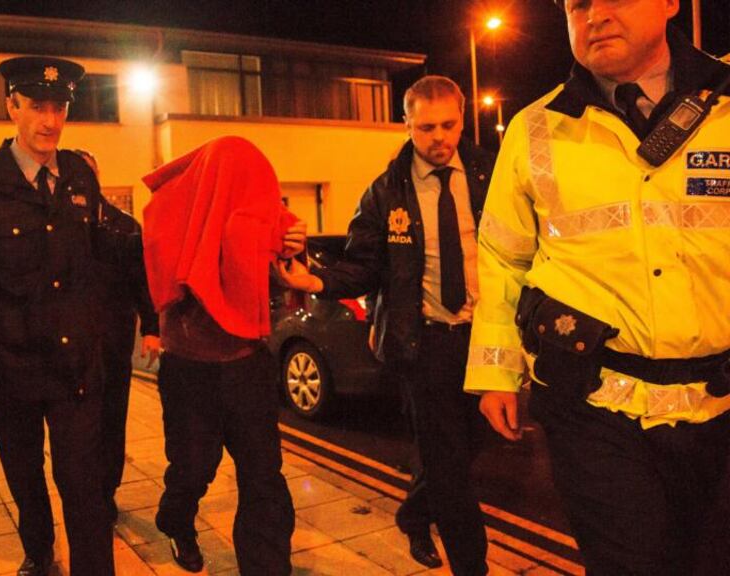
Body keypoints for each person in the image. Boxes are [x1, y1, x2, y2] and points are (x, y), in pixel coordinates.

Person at [466, 1, 730, 573]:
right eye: (578, 3)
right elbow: (503, 258)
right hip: (594, 406)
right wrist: (495, 375)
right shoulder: (535, 127)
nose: (596, 15)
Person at [279, 75, 495, 575]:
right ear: (407, 124)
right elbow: (362, 266)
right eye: (426, 128)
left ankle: (414, 513)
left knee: (467, 451)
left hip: (486, 339)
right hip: (425, 344)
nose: (439, 138)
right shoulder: (385, 191)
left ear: (463, 118)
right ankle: (473, 567)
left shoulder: (490, 173)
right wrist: (315, 279)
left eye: (448, 125)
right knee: (451, 472)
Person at [0, 56, 132, 576]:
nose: (50, 120)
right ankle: (39, 553)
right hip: (8, 370)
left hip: (76, 371)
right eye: (37, 106)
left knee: (84, 486)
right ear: (11, 106)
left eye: (59, 107)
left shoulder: (81, 172)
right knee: (25, 478)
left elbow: (103, 262)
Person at [143, 136, 302, 575]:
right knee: (193, 468)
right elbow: (154, 276)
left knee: (263, 477)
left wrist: (290, 245)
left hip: (247, 365)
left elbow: (282, 263)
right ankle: (175, 520)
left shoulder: (252, 218)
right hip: (189, 371)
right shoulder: (170, 214)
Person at [73, 150, 163, 525]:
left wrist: (153, 328)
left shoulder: (123, 226)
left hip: (112, 340)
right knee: (77, 423)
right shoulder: (56, 225)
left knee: (111, 417)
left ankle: (105, 491)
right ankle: (82, 491)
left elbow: (142, 281)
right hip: (69, 344)